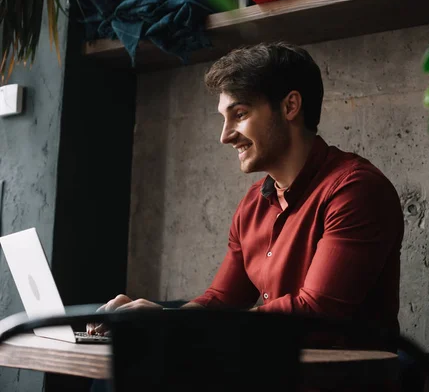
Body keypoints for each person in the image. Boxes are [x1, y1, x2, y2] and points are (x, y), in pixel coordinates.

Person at [88, 42, 404, 352]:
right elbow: (222, 299)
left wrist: (173, 324)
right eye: (224, 118)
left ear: (290, 106)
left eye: (239, 114)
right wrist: (159, 319)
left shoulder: (356, 190)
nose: (224, 136)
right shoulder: (253, 204)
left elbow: (316, 314)